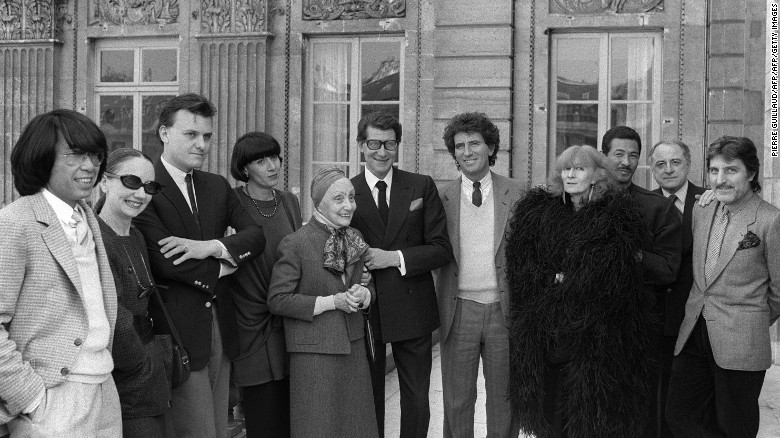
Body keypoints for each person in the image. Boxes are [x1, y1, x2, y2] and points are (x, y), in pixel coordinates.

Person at [133, 93, 266, 438]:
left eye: (206, 136)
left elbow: (255, 235)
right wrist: (226, 264)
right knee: (196, 431)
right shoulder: (145, 187)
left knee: (219, 431)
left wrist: (210, 246)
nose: (201, 144)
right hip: (176, 330)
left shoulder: (216, 186)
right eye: (191, 134)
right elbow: (167, 263)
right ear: (164, 133)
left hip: (221, 326)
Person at [507, 145, 656, 438]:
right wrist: (559, 277)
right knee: (551, 411)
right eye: (566, 168)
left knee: (591, 416)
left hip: (598, 336)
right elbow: (523, 268)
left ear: (597, 175)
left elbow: (612, 278)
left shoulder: (617, 217)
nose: (571, 175)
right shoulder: (538, 212)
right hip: (549, 332)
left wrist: (567, 277)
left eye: (579, 169)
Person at [0, 109, 121, 436]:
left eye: (95, 156)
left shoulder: (87, 218)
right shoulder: (16, 223)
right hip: (53, 397)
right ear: (41, 159)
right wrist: (31, 398)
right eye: (75, 155)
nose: (90, 166)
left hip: (104, 388)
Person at [666, 136, 780, 438]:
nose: (720, 179)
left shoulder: (770, 220)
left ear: (751, 173)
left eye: (730, 170)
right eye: (714, 171)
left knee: (735, 425)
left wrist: (750, 321)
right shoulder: (702, 210)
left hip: (741, 339)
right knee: (679, 414)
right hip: (693, 331)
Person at [349, 112, 453, 438]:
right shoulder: (346, 191)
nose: (382, 152)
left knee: (416, 398)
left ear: (397, 145)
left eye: (390, 144)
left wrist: (392, 258)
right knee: (368, 398)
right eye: (374, 144)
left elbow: (440, 249)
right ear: (361, 145)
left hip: (413, 307)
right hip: (367, 307)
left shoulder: (420, 185)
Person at [268, 167, 378, 438]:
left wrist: (366, 295)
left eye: (351, 197)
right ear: (318, 202)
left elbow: (367, 284)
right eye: (338, 199)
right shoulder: (295, 243)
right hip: (313, 355)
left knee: (356, 428)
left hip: (353, 347)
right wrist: (332, 302)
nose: (348, 206)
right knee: (316, 429)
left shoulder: (355, 238)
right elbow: (278, 300)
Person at [436, 112, 522, 437]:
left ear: (490, 147)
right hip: (459, 310)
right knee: (458, 402)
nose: (467, 151)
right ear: (453, 152)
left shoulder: (518, 193)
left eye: (475, 143)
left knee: (503, 401)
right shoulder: (441, 198)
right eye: (459, 145)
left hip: (504, 310)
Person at [601, 126, 681, 437]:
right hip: (589, 330)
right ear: (603, 155)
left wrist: (633, 255)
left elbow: (668, 269)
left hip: (639, 334)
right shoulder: (581, 201)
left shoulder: (657, 207)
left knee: (641, 415)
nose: (626, 162)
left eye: (633, 155)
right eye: (618, 154)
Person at [94, 148, 173, 437]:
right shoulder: (96, 237)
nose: (140, 193)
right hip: (124, 384)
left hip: (152, 380)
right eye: (130, 182)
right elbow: (112, 313)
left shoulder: (137, 235)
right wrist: (141, 362)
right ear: (104, 182)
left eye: (149, 186)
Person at [229, 132, 301, 438]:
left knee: (289, 418)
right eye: (261, 160)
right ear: (245, 168)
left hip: (288, 318)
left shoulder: (289, 202)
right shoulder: (232, 201)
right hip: (251, 322)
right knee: (261, 418)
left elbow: (300, 252)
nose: (272, 166)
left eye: (275, 158)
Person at [648, 139, 706, 438]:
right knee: (652, 402)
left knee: (687, 405)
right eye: (660, 164)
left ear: (688, 163)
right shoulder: (644, 203)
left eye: (675, 162)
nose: (668, 169)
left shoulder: (709, 201)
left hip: (694, 320)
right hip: (653, 318)